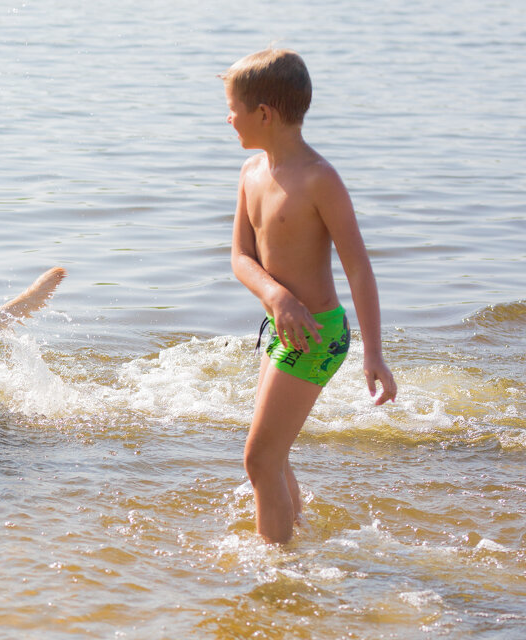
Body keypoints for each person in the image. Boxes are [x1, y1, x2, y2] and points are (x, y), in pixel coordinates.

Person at [222, 49, 397, 544]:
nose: (227, 117)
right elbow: (239, 256)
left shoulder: (320, 178)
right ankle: (294, 537)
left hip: (317, 335)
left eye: (233, 107)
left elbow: (359, 268)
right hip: (284, 329)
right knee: (271, 456)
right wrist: (277, 297)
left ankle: (276, 568)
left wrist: (374, 353)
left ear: (264, 114)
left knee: (259, 458)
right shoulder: (251, 174)